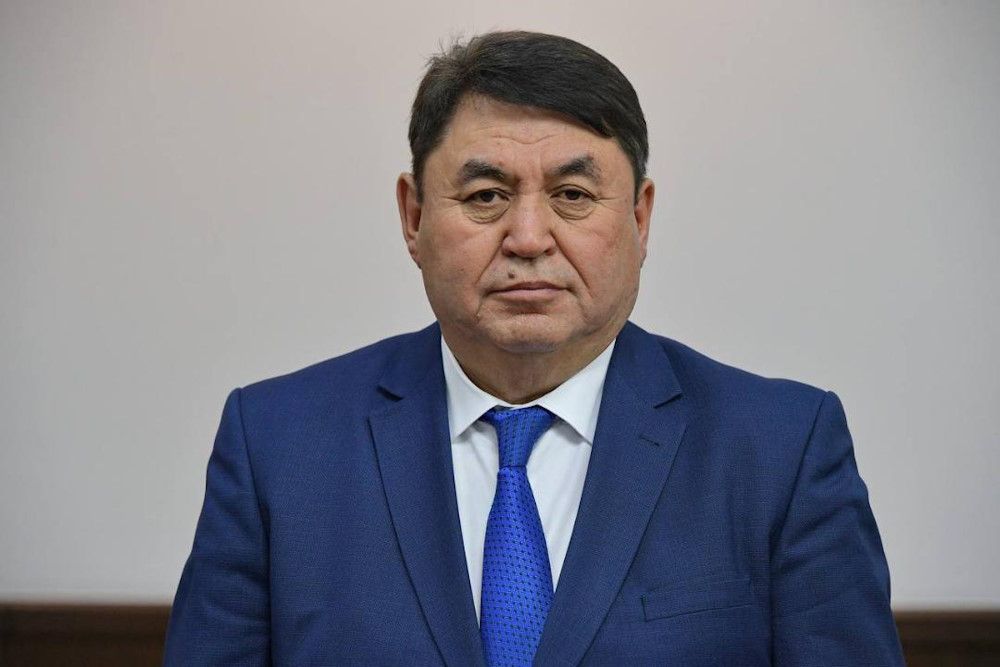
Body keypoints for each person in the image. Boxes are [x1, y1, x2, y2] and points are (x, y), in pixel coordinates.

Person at [163, 30, 904, 665]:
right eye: (485, 196)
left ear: (640, 218)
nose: (527, 238)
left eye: (572, 196)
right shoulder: (278, 445)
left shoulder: (779, 450)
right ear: (413, 217)